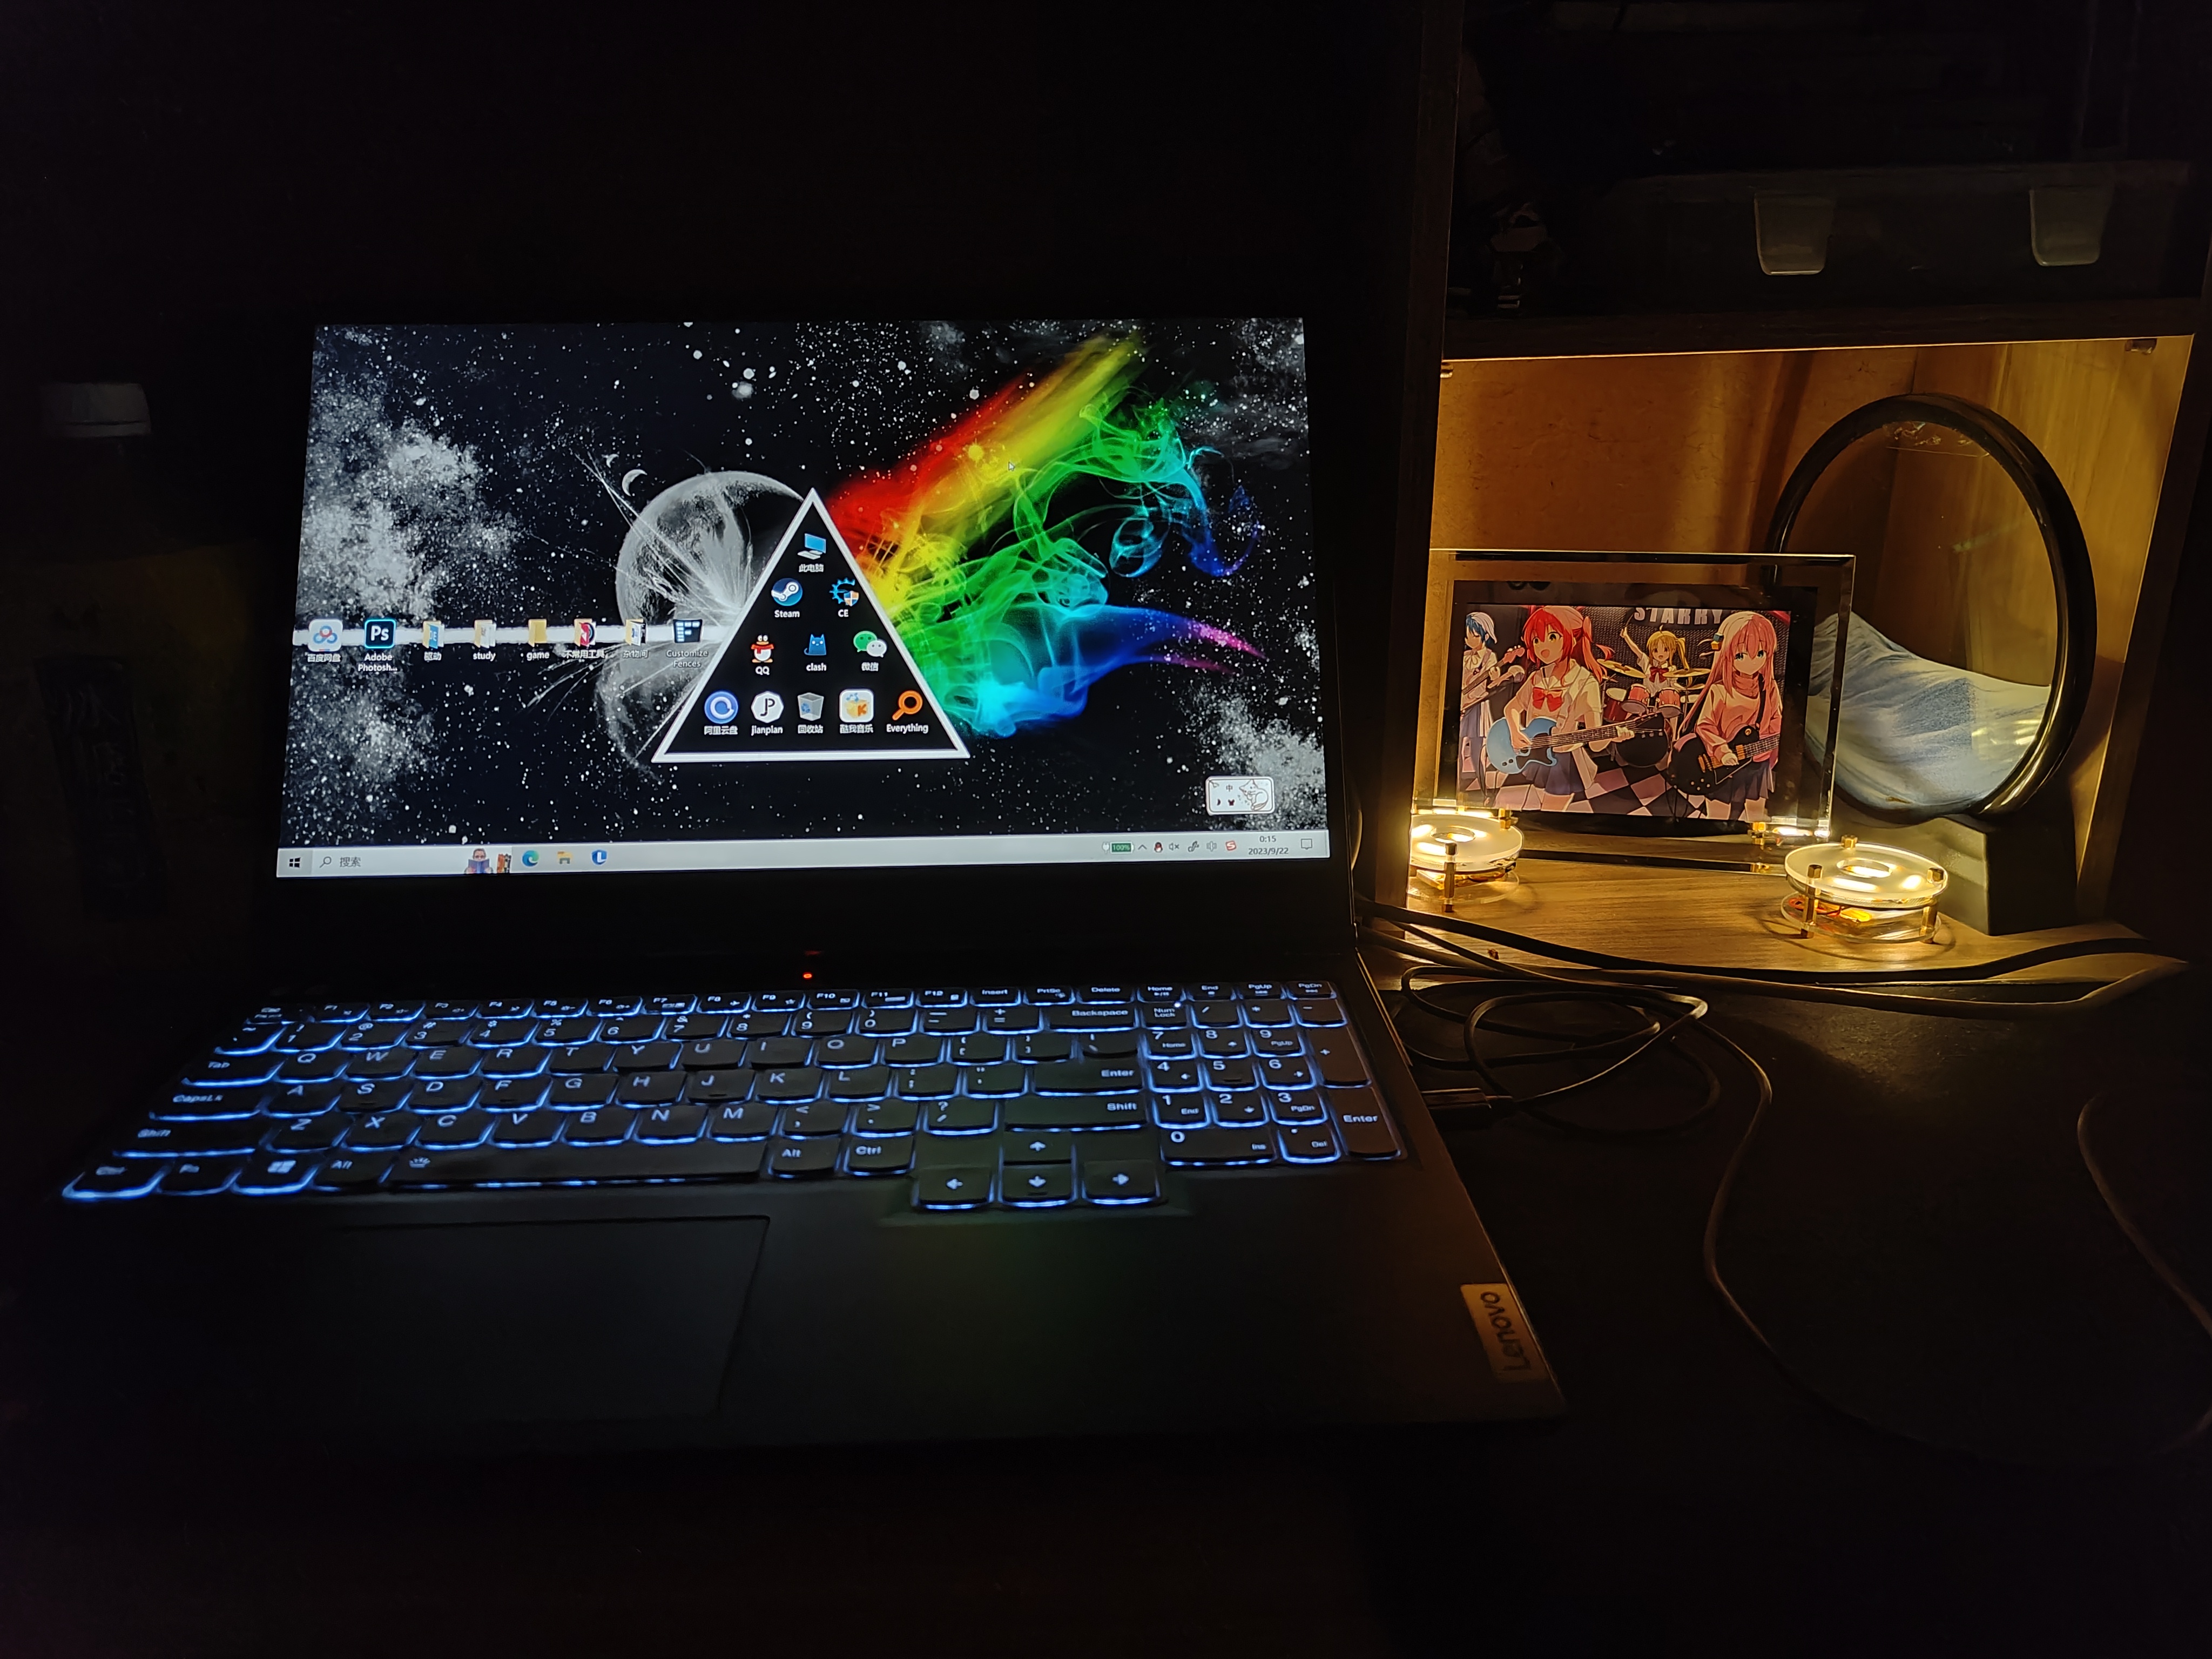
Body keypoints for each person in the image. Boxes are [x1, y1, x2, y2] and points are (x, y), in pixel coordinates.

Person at [1679, 611, 1784, 819]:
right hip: (1723, 765)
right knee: (1717, 817)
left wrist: (1770, 741)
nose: (1752, 662)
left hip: (1757, 763)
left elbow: (1777, 720)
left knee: (1756, 817)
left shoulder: (1769, 688)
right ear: (1727, 653)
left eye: (1760, 654)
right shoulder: (1719, 690)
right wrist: (1722, 751)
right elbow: (1705, 726)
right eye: (1741, 655)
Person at [1500, 604, 1608, 799]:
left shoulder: (1586, 682)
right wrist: (1515, 732)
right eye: (1536, 640)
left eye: (1552, 637)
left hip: (1566, 759)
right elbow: (1512, 708)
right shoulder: (1537, 677)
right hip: (1536, 751)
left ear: (1572, 638)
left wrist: (1615, 736)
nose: (1542, 647)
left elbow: (1595, 743)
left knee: (1553, 808)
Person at [1454, 610, 1522, 799]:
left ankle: (1484, 792)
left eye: (1474, 636)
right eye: (1467, 636)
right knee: (1457, 752)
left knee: (1478, 753)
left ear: (1485, 636)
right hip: (1462, 707)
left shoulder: (1490, 657)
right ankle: (1455, 789)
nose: (1470, 640)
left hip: (1478, 708)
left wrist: (1497, 677)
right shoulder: (1464, 656)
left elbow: (1492, 686)